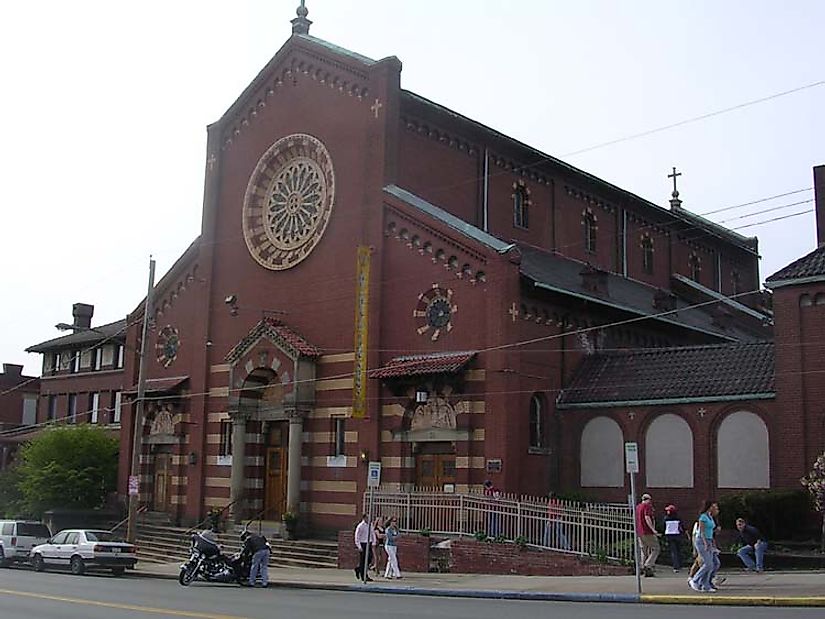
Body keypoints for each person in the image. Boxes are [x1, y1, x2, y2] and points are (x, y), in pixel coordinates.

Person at [689, 501, 721, 593]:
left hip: (709, 540)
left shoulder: (710, 517)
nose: (714, 508)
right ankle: (695, 580)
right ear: (709, 507)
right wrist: (705, 543)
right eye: (713, 506)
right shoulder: (703, 517)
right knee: (708, 564)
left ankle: (705, 584)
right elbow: (702, 532)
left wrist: (712, 544)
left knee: (713, 564)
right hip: (701, 541)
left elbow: (710, 531)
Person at [635, 493, 660, 577]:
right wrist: (653, 529)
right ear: (648, 499)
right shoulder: (647, 506)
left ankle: (642, 567)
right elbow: (647, 517)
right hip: (647, 531)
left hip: (639, 532)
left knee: (644, 550)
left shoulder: (638, 507)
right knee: (656, 548)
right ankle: (648, 565)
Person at [354, 513, 375, 582]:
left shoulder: (370, 524)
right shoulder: (360, 526)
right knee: (363, 560)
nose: (369, 519)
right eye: (367, 518)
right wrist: (359, 546)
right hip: (363, 544)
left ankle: (359, 569)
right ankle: (364, 576)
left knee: (369, 558)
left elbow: (372, 533)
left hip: (369, 543)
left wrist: (374, 541)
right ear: (364, 518)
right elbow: (357, 537)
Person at [663, 504, 685, 573]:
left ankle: (676, 567)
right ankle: (680, 564)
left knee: (673, 551)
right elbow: (682, 527)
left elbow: (663, 527)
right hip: (677, 535)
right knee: (678, 550)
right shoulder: (678, 518)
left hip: (669, 536)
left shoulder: (666, 518)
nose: (667, 512)